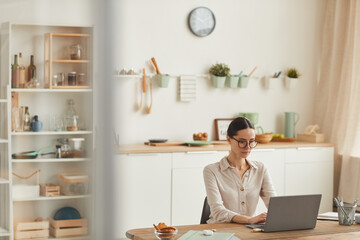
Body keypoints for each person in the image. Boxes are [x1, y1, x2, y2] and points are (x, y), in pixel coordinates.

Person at [203, 117, 276, 224]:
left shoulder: (260, 169)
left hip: (247, 231)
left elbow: (274, 204)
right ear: (229, 140)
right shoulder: (211, 171)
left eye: (251, 142)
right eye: (242, 142)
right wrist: (249, 220)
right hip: (219, 230)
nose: (248, 147)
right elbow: (217, 211)